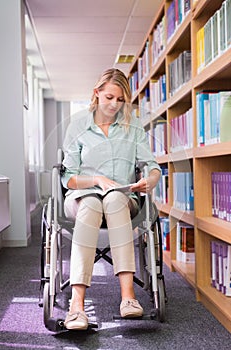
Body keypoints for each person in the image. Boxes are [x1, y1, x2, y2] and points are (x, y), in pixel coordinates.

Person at [61, 68, 161, 330]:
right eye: (109, 97)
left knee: (115, 199)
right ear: (97, 94)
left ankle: (128, 298)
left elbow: (151, 165)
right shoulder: (78, 125)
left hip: (122, 198)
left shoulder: (133, 125)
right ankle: (77, 306)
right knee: (93, 203)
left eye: (120, 100)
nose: (115, 105)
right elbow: (68, 178)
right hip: (82, 198)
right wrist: (96, 181)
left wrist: (149, 180)